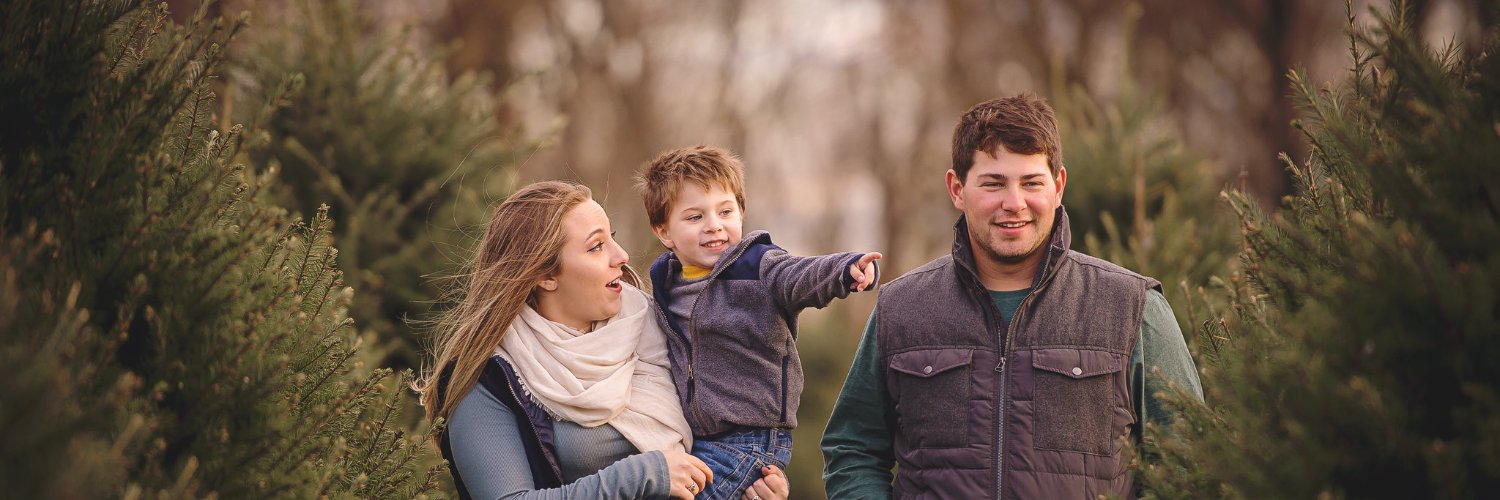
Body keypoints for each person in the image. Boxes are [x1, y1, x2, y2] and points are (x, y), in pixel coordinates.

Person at [820, 93, 1204, 499]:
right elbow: (853, 448)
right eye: (994, 183)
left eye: (1031, 182)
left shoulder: (1133, 307)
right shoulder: (902, 308)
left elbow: (1187, 459)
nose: (1014, 203)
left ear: (1057, 187)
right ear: (957, 189)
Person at [416, 181, 790, 499]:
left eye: (613, 238)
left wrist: (745, 481)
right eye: (596, 247)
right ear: (546, 275)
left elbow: (722, 438)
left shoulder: (660, 327)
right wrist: (643, 474)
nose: (621, 256)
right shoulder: (487, 379)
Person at [633, 146, 882, 500]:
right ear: (664, 232)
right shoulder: (666, 283)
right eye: (694, 217)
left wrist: (845, 270)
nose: (714, 225)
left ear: (741, 212)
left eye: (725, 211)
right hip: (696, 438)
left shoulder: (758, 267)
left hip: (752, 438)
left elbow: (800, 274)